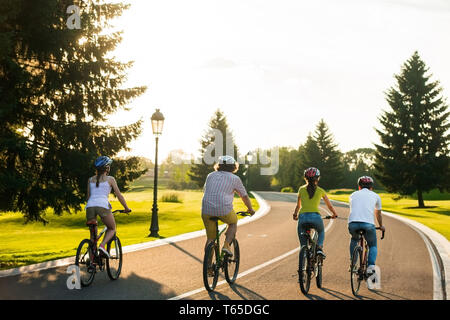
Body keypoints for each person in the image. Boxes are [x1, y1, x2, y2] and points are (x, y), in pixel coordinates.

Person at [201, 155, 255, 259]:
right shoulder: (235, 179)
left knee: (210, 239)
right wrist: (250, 209)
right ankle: (226, 245)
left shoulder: (210, 175)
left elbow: (205, 190)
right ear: (233, 166)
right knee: (233, 223)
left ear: (219, 165)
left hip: (206, 210)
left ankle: (208, 267)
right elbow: (244, 196)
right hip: (224, 210)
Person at [85, 156, 131, 258]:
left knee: (93, 237)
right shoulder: (110, 179)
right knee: (112, 228)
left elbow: (88, 197)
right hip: (103, 206)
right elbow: (119, 195)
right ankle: (102, 245)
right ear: (107, 168)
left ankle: (92, 261)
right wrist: (126, 208)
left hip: (90, 207)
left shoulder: (90, 179)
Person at [293, 167, 338, 258]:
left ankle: (303, 262)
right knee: (321, 231)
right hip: (316, 218)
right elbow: (329, 206)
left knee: (303, 245)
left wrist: (295, 215)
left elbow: (298, 206)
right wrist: (334, 214)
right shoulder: (320, 190)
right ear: (318, 178)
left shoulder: (301, 189)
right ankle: (319, 248)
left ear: (305, 178)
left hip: (302, 218)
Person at [348, 176, 385, 272]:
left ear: (359, 187)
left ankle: (353, 263)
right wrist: (381, 226)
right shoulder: (376, 196)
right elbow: (378, 213)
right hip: (368, 224)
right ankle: (371, 267)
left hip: (353, 224)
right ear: (371, 187)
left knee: (354, 239)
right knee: (372, 245)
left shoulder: (352, 195)